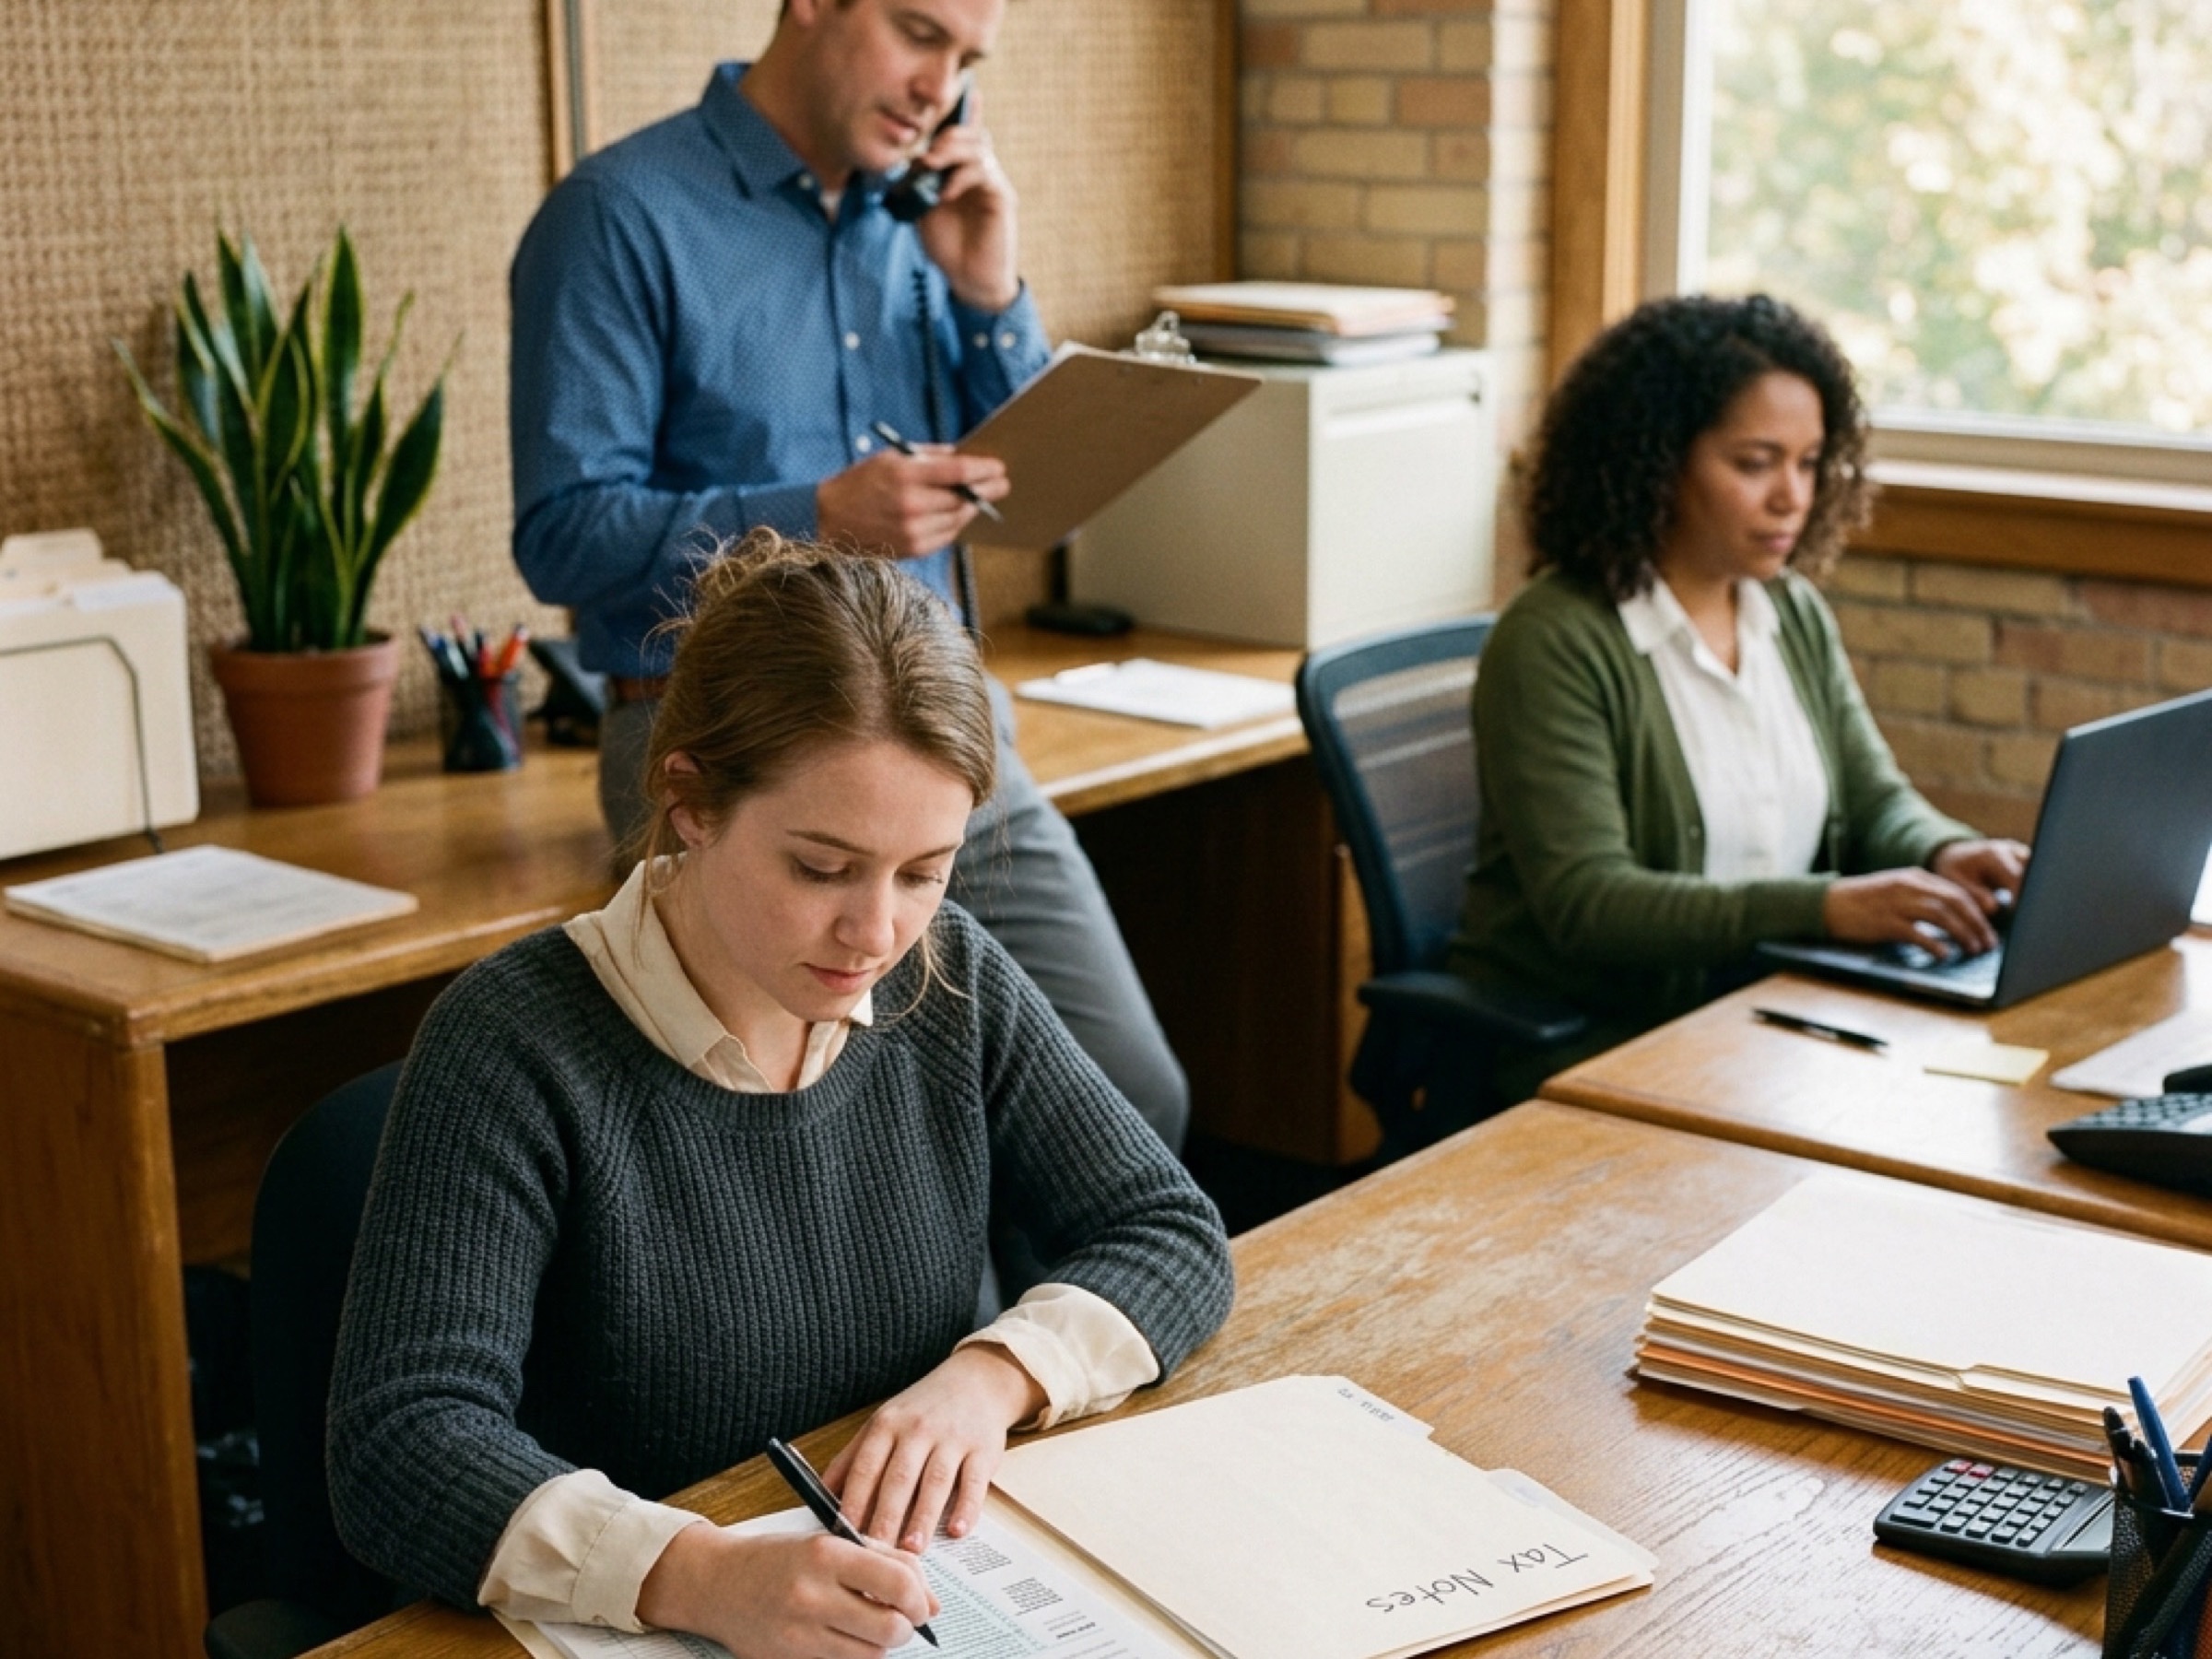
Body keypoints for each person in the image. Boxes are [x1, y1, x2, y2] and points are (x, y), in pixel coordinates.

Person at [327, 536, 1234, 1656]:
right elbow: (401, 1443)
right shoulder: (511, 1044)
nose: (877, 933)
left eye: (924, 870)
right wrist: (698, 1574)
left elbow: (1169, 1227)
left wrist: (989, 1378)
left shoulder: (947, 976)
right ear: (692, 800)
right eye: (821, 868)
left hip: (902, 1597)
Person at [506, 0, 1191, 1170]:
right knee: (879, 1154)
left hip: (943, 746)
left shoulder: (920, 224)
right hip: (734, 759)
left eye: (965, 61)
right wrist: (814, 513)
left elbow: (1022, 489)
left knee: (1134, 1104)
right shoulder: (617, 217)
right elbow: (563, 537)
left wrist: (991, 295)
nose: (939, 85)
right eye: (921, 35)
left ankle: (1030, 1346)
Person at [1450, 293, 2028, 1087]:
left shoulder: (1789, 612)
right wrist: (1825, 908)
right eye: (1754, 463)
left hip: (1767, 1024)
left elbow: (1874, 801)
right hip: (1595, 1052)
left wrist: (1947, 852)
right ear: (1655, 461)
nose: (1793, 496)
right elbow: (1592, 904)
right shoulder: (1555, 639)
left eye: (1809, 461)